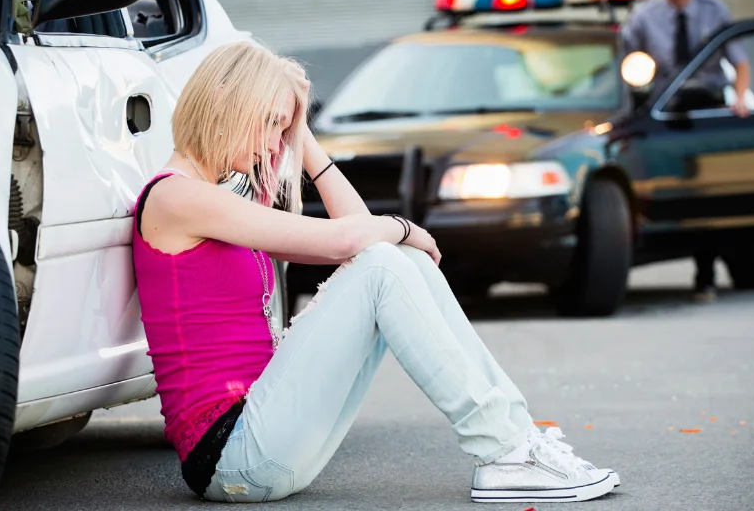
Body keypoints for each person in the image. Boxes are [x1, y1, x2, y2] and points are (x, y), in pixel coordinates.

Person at [132, 42, 620, 504]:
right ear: (223, 100)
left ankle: (515, 438)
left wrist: (302, 132)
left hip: (270, 432)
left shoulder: (223, 196)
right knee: (387, 259)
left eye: (282, 132)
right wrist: (407, 228)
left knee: (392, 259)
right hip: (231, 455)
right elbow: (352, 240)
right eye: (270, 125)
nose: (272, 147)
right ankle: (504, 448)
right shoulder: (176, 197)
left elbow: (357, 232)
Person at [621, 0, 752, 303]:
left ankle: (705, 273)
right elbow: (627, 60)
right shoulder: (646, 18)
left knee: (705, 195)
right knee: (674, 190)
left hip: (706, 108)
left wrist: (740, 98)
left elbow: (739, 61)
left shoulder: (713, 11)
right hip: (667, 111)